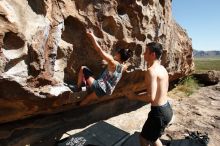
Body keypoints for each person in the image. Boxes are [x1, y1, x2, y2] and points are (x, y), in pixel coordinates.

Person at [126, 42, 173, 146]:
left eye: (146, 52)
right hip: (167, 109)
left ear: (153, 55)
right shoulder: (163, 69)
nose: (143, 54)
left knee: (143, 138)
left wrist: (134, 96)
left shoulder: (151, 71)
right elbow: (159, 91)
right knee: (153, 137)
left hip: (158, 113)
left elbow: (150, 97)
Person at [75, 30, 132, 106]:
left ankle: (78, 88)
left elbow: (99, 50)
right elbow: (127, 63)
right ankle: (79, 110)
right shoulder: (123, 67)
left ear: (119, 55)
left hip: (98, 86)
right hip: (104, 92)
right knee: (87, 99)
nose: (116, 52)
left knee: (83, 68)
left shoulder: (112, 63)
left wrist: (92, 37)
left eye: (118, 52)